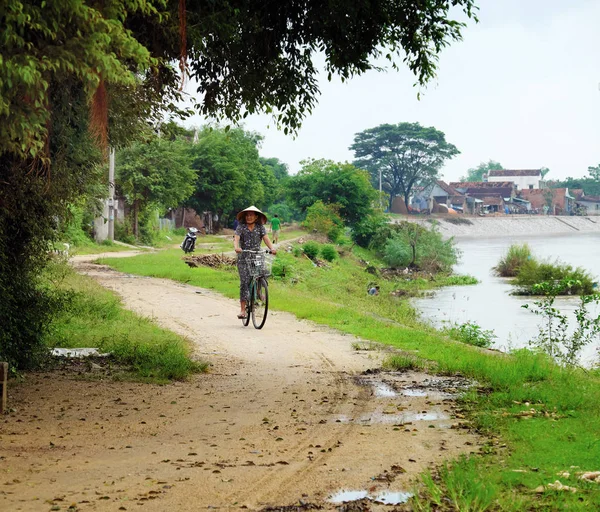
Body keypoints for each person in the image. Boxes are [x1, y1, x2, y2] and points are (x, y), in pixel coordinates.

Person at [234, 206, 277, 319]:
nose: (249, 217)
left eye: (251, 215)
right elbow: (236, 238)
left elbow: (266, 238)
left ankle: (258, 291)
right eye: (247, 215)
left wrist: (272, 248)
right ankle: (243, 310)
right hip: (244, 257)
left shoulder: (260, 227)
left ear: (256, 216)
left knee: (264, 272)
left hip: (257, 256)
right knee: (245, 282)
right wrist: (236, 247)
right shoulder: (241, 227)